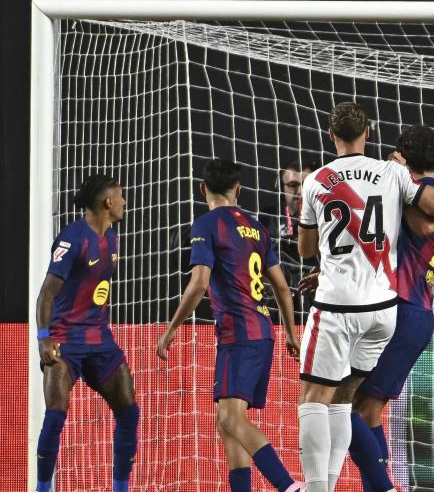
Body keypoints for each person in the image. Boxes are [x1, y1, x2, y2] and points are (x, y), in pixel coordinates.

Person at [296, 102, 434, 492]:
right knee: (366, 410)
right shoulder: (413, 187)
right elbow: (376, 238)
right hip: (410, 311)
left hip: (398, 307)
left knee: (346, 406)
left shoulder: (416, 194)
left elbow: (420, 221)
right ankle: (377, 485)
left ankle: (378, 486)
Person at [156, 158, 304, 492]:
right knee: (228, 422)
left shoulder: (207, 225)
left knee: (231, 418)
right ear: (238, 189)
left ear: (202, 189)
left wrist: (169, 332)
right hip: (262, 331)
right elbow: (282, 287)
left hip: (238, 333)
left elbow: (198, 285)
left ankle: (289, 486)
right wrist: (292, 334)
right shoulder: (257, 227)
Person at [35, 174, 138, 492]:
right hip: (65, 340)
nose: (124, 202)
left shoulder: (113, 238)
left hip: (99, 339)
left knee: (129, 411)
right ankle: (42, 488)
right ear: (108, 201)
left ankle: (120, 488)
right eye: (121, 196)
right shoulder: (72, 239)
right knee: (55, 415)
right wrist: (44, 336)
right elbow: (46, 294)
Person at [260, 162, 314, 291]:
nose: (300, 191)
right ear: (280, 188)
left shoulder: (326, 219)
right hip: (279, 293)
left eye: (307, 185)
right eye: (293, 185)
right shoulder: (266, 219)